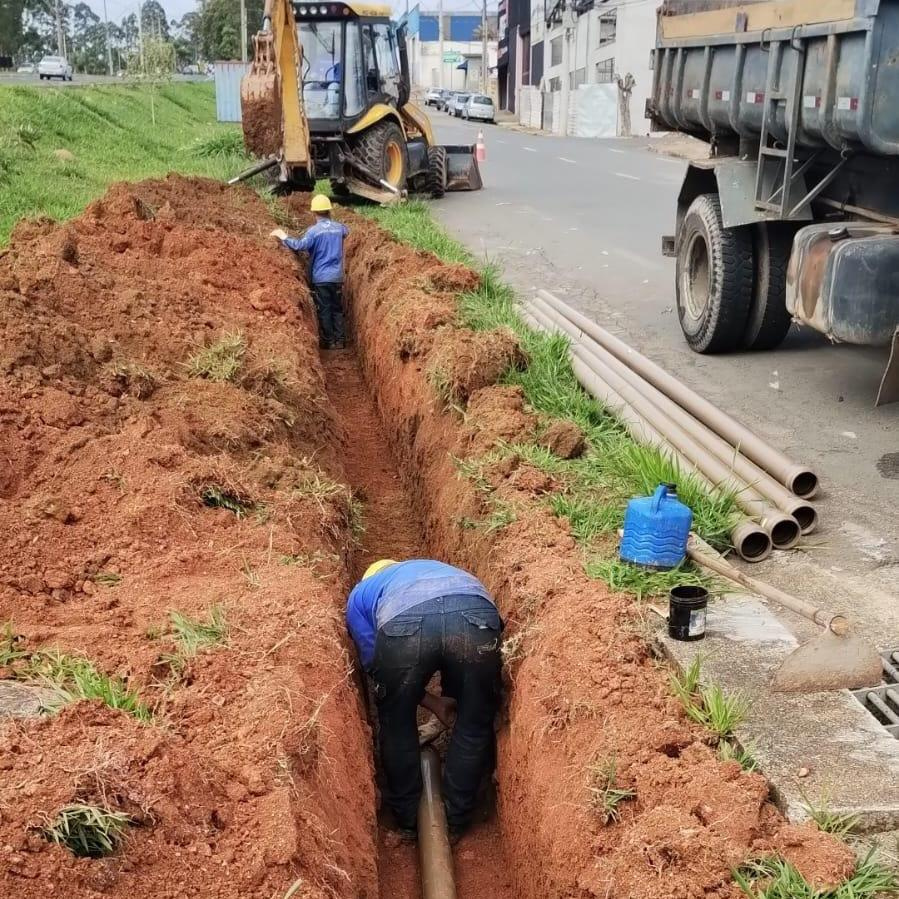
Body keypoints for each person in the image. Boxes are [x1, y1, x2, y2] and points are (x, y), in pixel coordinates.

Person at [346, 558, 503, 842]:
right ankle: (455, 820)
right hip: (475, 616)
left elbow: (376, 668)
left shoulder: (361, 594)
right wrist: (440, 701)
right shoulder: (447, 570)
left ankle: (409, 818)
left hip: (403, 625)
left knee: (397, 723)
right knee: (474, 720)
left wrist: (418, 700)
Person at [270, 195, 348, 349]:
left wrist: (283, 236)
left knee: (325, 309)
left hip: (321, 278)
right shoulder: (339, 228)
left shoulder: (313, 231)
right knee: (337, 309)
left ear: (314, 213)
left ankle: (329, 341)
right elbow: (346, 231)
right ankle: (340, 340)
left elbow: (299, 245)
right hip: (337, 277)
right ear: (329, 211)